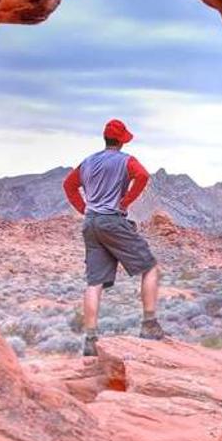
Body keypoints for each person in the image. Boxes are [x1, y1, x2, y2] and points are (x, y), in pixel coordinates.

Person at [61, 118, 166, 352]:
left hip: (91, 223)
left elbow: (68, 185)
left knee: (94, 282)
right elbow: (143, 176)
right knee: (150, 267)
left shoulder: (88, 162)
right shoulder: (126, 160)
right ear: (121, 141)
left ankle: (90, 340)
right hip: (112, 220)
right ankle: (149, 324)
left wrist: (84, 208)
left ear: (105, 139)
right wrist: (125, 202)